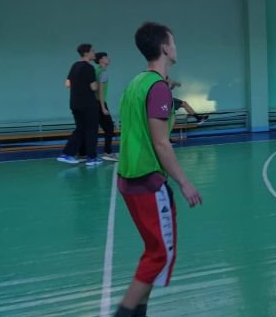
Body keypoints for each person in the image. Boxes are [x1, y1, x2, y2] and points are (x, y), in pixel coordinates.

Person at [114, 22, 203, 317]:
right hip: (148, 181)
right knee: (159, 255)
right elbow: (161, 143)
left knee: (153, 251)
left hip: (128, 178)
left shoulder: (136, 83)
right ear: (165, 48)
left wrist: (168, 84)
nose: (176, 47)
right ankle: (124, 312)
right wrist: (184, 182)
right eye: (173, 42)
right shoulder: (157, 88)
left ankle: (139, 312)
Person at [57, 44, 102, 167]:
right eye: (92, 51)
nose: (94, 53)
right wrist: (98, 83)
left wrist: (79, 86)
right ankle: (91, 158)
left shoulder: (75, 65)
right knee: (91, 130)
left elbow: (67, 84)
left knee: (81, 129)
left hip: (75, 104)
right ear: (86, 53)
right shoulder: (89, 67)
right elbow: (93, 87)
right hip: (88, 104)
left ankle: (67, 154)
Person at [94, 52, 118, 161]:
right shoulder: (103, 72)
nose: (108, 59)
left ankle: (85, 154)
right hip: (100, 103)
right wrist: (103, 108)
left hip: (94, 103)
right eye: (105, 57)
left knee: (95, 129)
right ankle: (107, 152)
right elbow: (100, 91)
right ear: (100, 60)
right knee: (109, 128)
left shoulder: (96, 70)